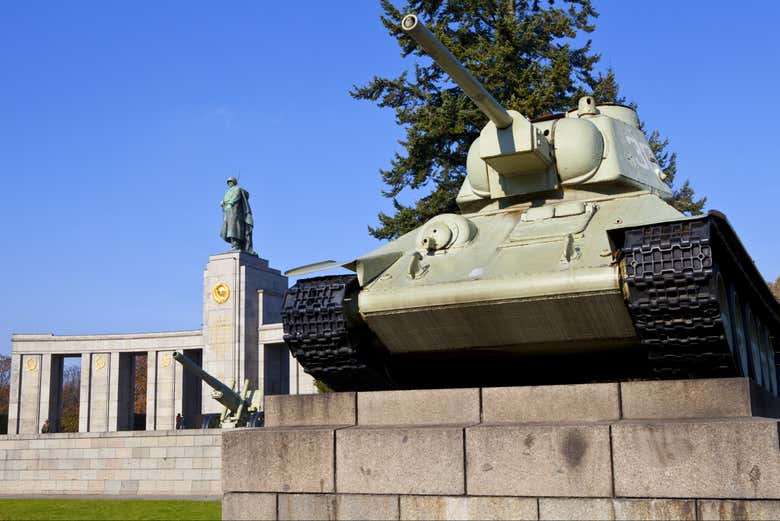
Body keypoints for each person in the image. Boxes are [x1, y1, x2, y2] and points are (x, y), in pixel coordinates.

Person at [220, 177, 256, 255]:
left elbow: (236, 196)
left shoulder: (237, 189)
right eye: (228, 182)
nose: (229, 183)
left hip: (235, 212)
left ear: (234, 182)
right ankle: (234, 244)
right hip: (228, 212)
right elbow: (226, 200)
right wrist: (223, 202)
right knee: (228, 228)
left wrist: (231, 203)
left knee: (235, 228)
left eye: (231, 181)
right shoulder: (227, 191)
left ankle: (236, 245)